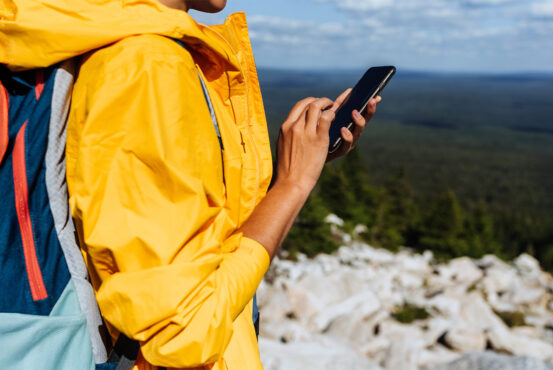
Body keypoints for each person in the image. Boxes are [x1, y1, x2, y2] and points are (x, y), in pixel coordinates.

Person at [5, 0, 380, 368]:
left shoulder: (128, 47)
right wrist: (293, 186)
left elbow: (189, 235)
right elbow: (182, 330)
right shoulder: (146, 63)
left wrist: (294, 170)